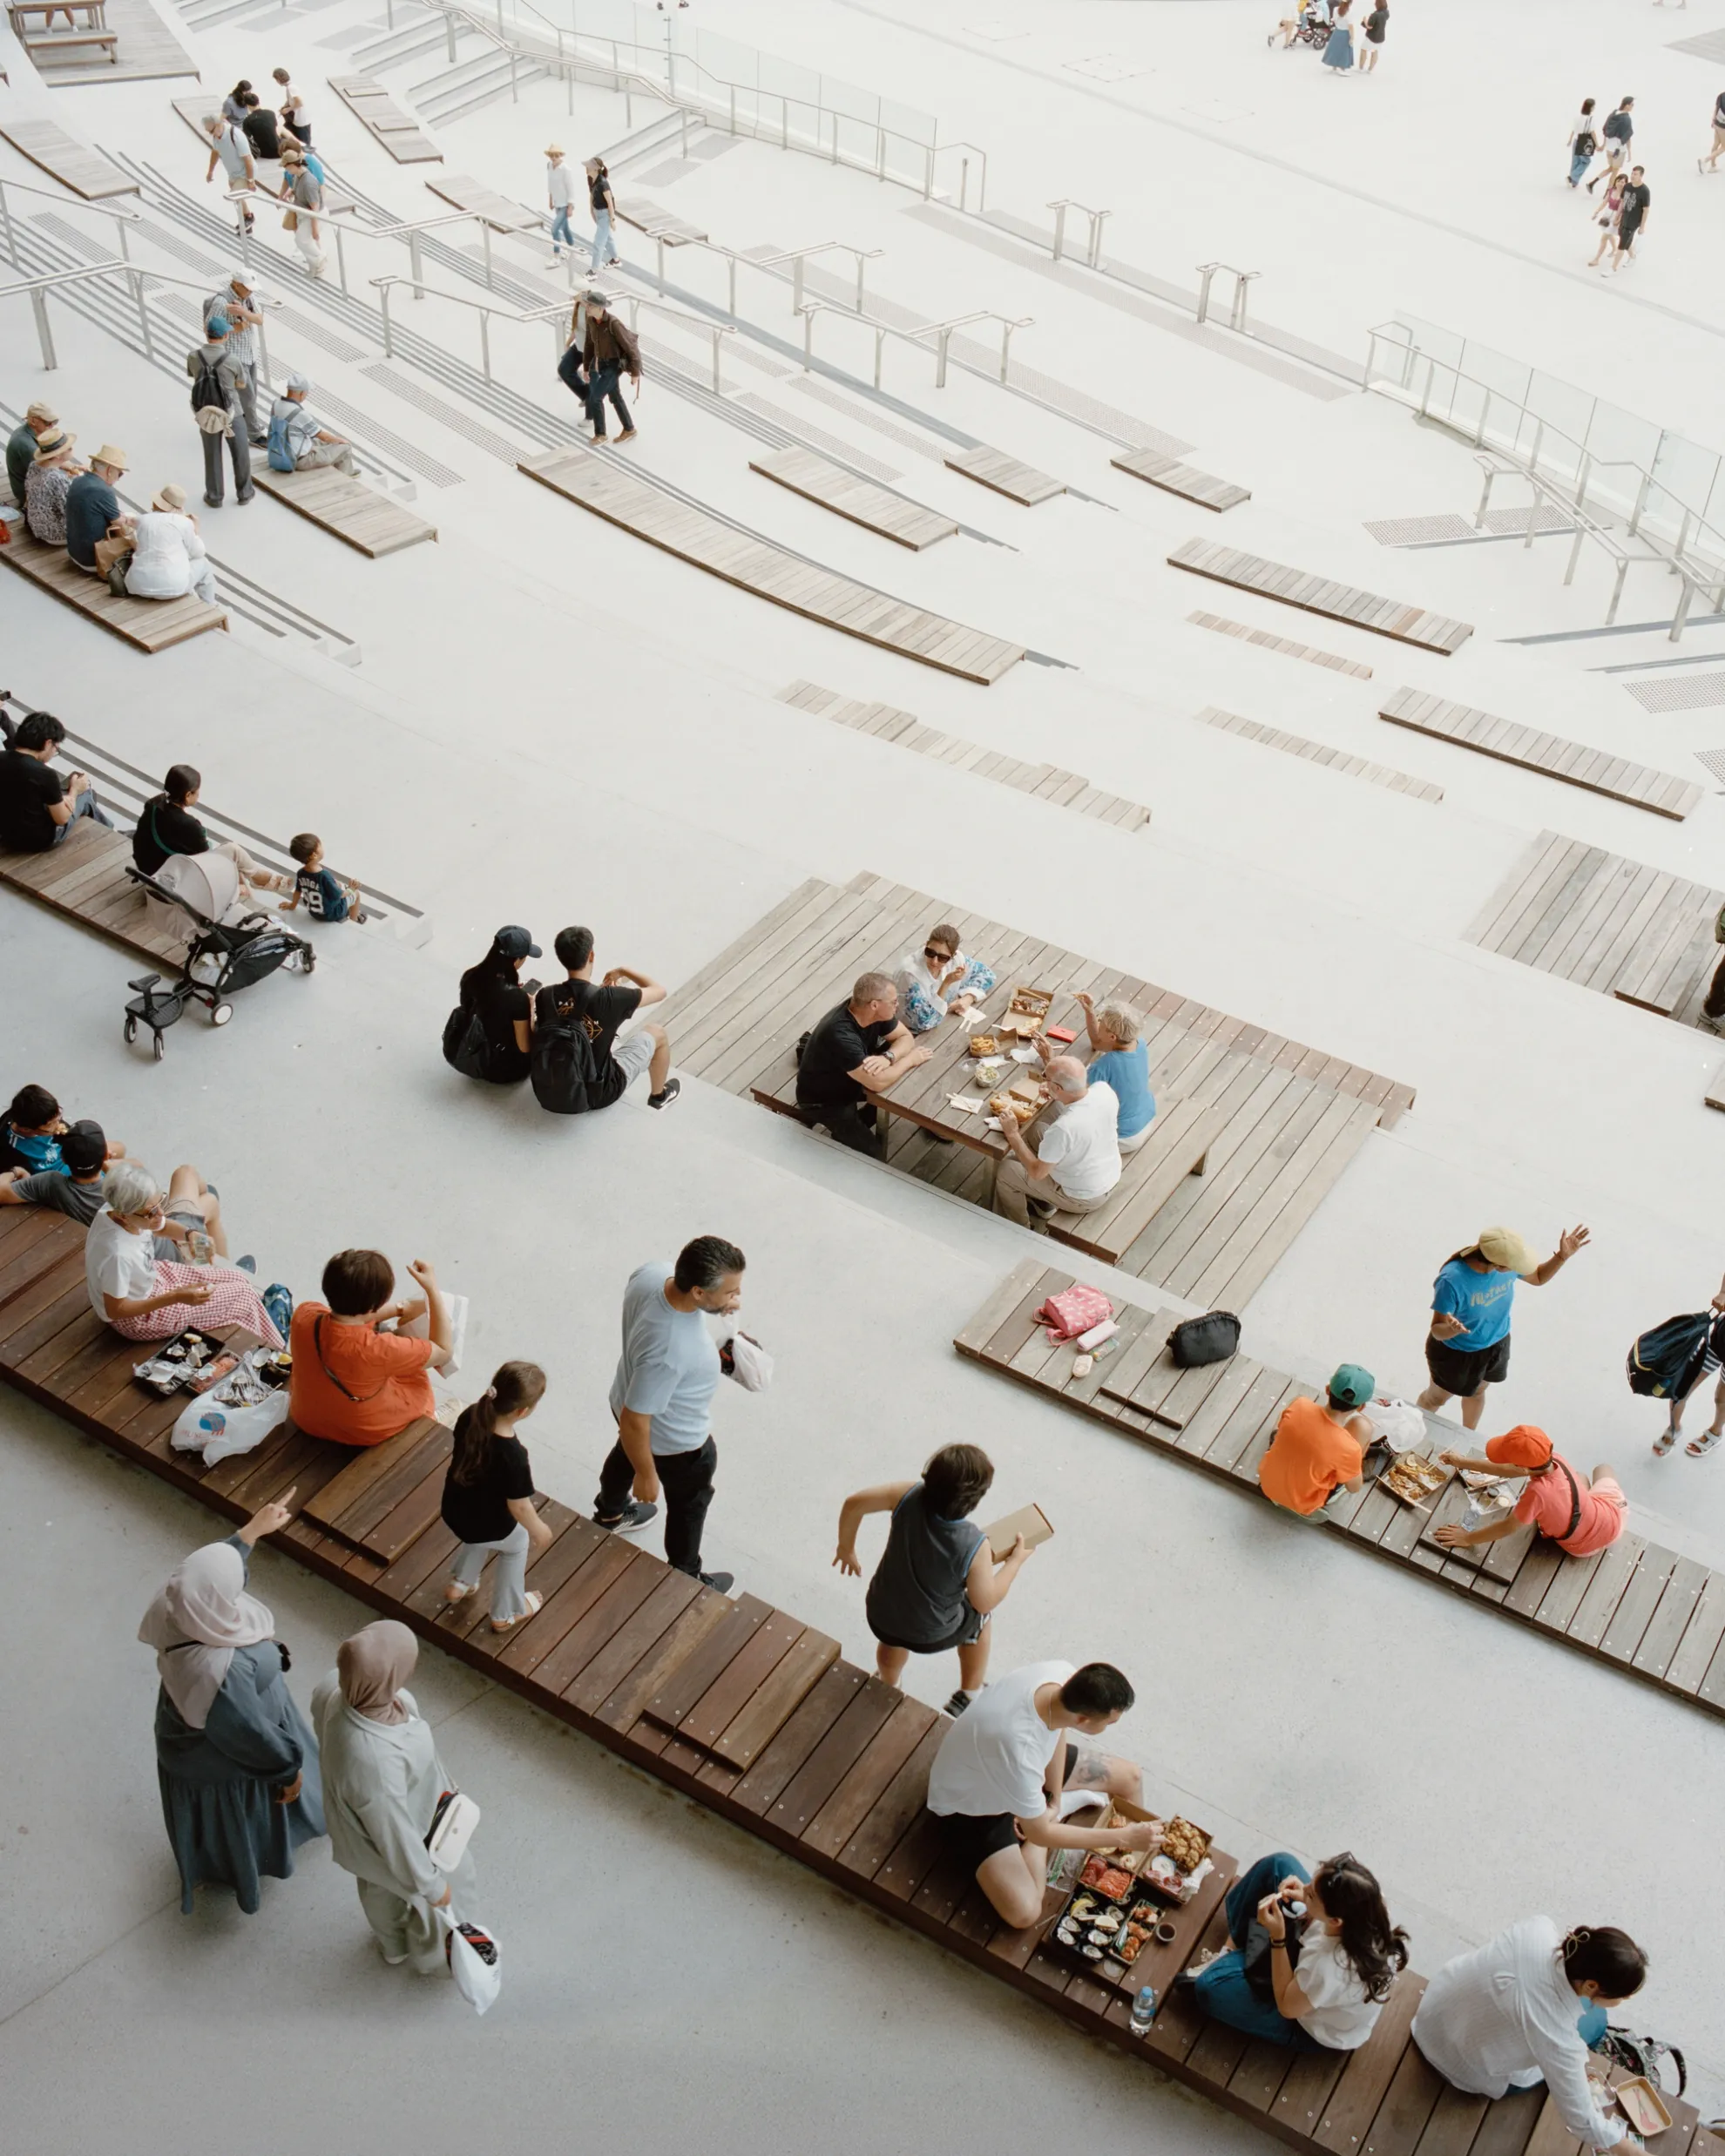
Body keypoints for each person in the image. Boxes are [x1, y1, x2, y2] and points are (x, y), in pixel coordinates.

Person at [138, 1501, 325, 1915]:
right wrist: (287, 1771)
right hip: (224, 1759)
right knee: (248, 1817)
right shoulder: (221, 1675)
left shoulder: (179, 1603)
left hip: (191, 1730)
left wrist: (248, 1535)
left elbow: (204, 1577)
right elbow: (250, 1736)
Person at [925, 1660, 1160, 1929]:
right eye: (1108, 1723)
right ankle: (1049, 1816)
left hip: (1016, 1773)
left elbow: (1056, 1728)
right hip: (971, 1807)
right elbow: (1038, 1834)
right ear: (1083, 1719)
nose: (1110, 1727)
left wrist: (1056, 1797)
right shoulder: (1020, 1750)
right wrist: (1123, 1836)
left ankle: (1130, 1865)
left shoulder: (1060, 1676)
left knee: (1131, 1777)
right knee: (1025, 1912)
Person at [312, 1622, 477, 1971]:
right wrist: (431, 1886)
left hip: (363, 1827)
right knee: (391, 1889)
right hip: (385, 1840)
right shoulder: (372, 1760)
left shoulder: (339, 1687)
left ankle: (391, 1945)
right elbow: (393, 1834)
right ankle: (424, 1954)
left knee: (375, 1890)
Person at [592, 1236, 747, 1593]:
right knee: (689, 1505)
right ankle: (685, 1572)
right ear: (697, 1292)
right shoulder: (671, 1348)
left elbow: (630, 1420)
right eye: (729, 1293)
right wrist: (648, 1475)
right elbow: (636, 1421)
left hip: (626, 1394)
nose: (735, 1299)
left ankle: (611, 1512)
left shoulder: (653, 1274)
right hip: (675, 1441)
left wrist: (717, 1308)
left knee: (625, 1451)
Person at [1413, 1920, 1650, 2150]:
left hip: (1432, 2013)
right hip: (1465, 2071)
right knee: (1596, 2023)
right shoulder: (1557, 2036)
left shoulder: (1538, 1929)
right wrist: (1632, 2151)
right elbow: (1583, 2122)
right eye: (1623, 1996)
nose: (1623, 2001)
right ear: (1591, 1986)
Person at [834, 1443, 1033, 1716]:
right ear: (973, 1500)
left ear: (929, 1476)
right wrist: (1015, 1562)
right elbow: (984, 1601)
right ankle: (969, 1694)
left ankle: (889, 1684)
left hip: (882, 1612)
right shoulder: (975, 1545)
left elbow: (854, 1504)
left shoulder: (905, 1496)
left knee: (892, 1642)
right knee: (980, 1621)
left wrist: (846, 1547)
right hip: (931, 1633)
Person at [1187, 1852, 1408, 2050]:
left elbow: (1287, 2006)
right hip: (1310, 1968)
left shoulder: (1330, 1968)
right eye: (1311, 1882)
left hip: (1305, 2019)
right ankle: (1234, 1951)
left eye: (1312, 1894)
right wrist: (1305, 1895)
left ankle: (1238, 1959)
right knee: (1280, 1864)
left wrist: (1278, 1938)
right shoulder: (1370, 1909)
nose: (1305, 1888)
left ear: (1335, 1920)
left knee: (1209, 1988)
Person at [85, 1159, 282, 1344]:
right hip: (139, 1317)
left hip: (152, 1278)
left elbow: (161, 1227)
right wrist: (176, 1297)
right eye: (151, 1212)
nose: (160, 1214)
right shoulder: (118, 1253)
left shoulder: (121, 1212)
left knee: (239, 1279)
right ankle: (277, 1349)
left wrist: (190, 1234)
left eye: (160, 1204)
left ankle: (266, 1333)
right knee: (245, 1296)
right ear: (122, 1215)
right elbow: (116, 1310)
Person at [1416, 1224, 1588, 1430]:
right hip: (1457, 1353)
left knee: (1478, 1391)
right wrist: (1452, 1329)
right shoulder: (1452, 1280)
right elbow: (1437, 1329)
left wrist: (1561, 1256)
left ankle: (1467, 1437)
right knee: (1436, 1398)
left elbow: (1539, 1277)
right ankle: (1411, 1428)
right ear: (1498, 1264)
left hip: (1496, 1344)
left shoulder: (1509, 1267)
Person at [288, 1249, 453, 1447]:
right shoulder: (379, 1350)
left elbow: (345, 1322)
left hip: (307, 1416)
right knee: (413, 1375)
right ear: (376, 1303)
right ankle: (430, 1417)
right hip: (361, 1430)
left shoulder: (304, 1315)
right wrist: (432, 1289)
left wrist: (400, 1308)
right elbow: (443, 1351)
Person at [441, 1361, 553, 1632]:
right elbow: (520, 1508)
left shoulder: (471, 1416)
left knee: (482, 1531)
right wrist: (539, 1529)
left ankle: (461, 1582)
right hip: (486, 1523)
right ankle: (505, 1613)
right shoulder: (513, 1456)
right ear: (523, 1411)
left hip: (454, 1508)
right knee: (516, 1543)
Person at [1, 1128, 223, 1263]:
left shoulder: (51, 1184)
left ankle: (201, 1210)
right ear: (106, 1155)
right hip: (168, 1254)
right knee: (195, 1183)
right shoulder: (124, 1188)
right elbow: (137, 1168)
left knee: (202, 1203)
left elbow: (3, 1191)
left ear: (65, 1160)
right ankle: (223, 1265)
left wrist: (14, 1171)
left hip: (152, 1242)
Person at [534, 923, 678, 1110]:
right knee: (657, 1033)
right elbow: (659, 991)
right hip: (598, 1093)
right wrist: (623, 970)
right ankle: (659, 1097)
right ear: (591, 955)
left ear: (561, 958)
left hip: (552, 1086)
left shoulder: (545, 996)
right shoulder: (612, 998)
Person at [1434, 1425, 1626, 1558]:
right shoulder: (1556, 1459)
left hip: (1583, 1547)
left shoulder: (1537, 1493)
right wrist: (1462, 1462)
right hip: (1607, 1517)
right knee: (1597, 1471)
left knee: (1593, 1473)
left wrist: (1467, 1538)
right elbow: (1508, 1470)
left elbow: (1508, 1526)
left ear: (1524, 1469)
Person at [795, 972, 932, 1157]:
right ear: (874, 1004)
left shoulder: (871, 1012)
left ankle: (854, 1127)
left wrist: (888, 1057)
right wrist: (909, 1060)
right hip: (825, 1101)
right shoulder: (840, 1034)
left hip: (852, 1080)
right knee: (873, 1155)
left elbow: (905, 1037)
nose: (897, 1005)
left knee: (903, 1087)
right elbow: (877, 1083)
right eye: (893, 1001)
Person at [991, 1055, 1122, 1228]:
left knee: (1008, 1170)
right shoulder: (1103, 1090)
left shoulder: (1064, 1128)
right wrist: (1056, 1094)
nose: (1043, 1079)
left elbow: (1037, 1173)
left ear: (1058, 1087)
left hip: (1084, 1195)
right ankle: (1044, 1202)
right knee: (1037, 1130)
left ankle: (1019, 1228)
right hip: (1106, 1171)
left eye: (1046, 1077)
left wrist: (1013, 1134)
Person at [131, 762, 288, 898]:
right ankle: (259, 881)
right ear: (187, 795)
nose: (198, 795)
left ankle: (258, 880)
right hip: (170, 881)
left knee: (235, 864)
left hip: (148, 869)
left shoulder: (153, 804)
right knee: (233, 852)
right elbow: (208, 865)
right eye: (197, 791)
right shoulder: (190, 826)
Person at [1258, 1366, 1376, 1518]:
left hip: (1268, 1484)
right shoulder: (1348, 1449)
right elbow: (1354, 1488)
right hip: (1304, 1503)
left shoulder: (1299, 1404)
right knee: (1364, 1427)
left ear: (1328, 1390)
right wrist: (1356, 1457)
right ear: (1361, 1407)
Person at [0, 707, 112, 852]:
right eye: (56, 748)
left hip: (6, 835)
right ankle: (111, 832)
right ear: (47, 743)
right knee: (86, 795)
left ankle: (109, 829)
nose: (54, 753)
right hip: (37, 840)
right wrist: (75, 790)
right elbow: (62, 818)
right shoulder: (44, 773)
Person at [1067, 993, 1156, 1152]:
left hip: (1124, 1136)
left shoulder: (1106, 1064)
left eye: (1101, 1022)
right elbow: (1098, 1043)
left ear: (1112, 1036)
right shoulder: (1138, 1043)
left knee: (1061, 1110)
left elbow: (1075, 1094)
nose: (1099, 1022)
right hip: (1147, 1118)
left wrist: (1049, 1060)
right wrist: (1090, 1012)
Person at [454, 927, 538, 1084]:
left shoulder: (470, 976)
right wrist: (530, 1008)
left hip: (474, 1052)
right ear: (517, 960)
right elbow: (525, 1046)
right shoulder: (517, 998)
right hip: (502, 1071)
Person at [1654, 1277, 1725, 1458]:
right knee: (1680, 1388)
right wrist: (1724, 1293)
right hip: (1720, 1340)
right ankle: (1674, 1427)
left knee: (1721, 1398)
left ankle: (1716, 1430)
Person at [188, 314, 254, 509]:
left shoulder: (194, 356)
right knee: (240, 452)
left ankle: (215, 496)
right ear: (226, 335)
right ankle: (244, 492)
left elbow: (193, 374)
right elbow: (241, 384)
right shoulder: (232, 360)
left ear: (206, 333)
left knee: (212, 453)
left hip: (206, 412)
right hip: (231, 412)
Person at [121, 484, 218, 605]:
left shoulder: (142, 520)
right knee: (203, 564)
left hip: (137, 585)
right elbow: (198, 553)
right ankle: (210, 606)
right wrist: (195, 531)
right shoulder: (184, 523)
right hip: (172, 587)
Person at [896, 924, 996, 1035]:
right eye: (930, 953)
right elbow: (925, 1021)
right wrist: (946, 983)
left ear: (952, 956)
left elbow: (986, 974)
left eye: (942, 958)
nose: (934, 961)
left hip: (945, 1019)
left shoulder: (956, 961)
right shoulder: (910, 974)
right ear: (926, 945)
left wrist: (968, 998)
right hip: (909, 1031)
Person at [206, 267, 267, 444]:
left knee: (250, 394)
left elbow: (259, 319)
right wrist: (237, 327)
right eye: (247, 287)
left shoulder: (247, 298)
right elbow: (209, 329)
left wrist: (243, 313)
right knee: (247, 397)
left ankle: (236, 424)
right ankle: (254, 434)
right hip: (234, 358)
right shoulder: (221, 302)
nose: (251, 291)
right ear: (237, 284)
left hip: (249, 354)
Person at [267, 373, 359, 477]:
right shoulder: (300, 414)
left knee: (318, 442)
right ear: (301, 393)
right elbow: (324, 437)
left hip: (280, 452)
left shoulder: (276, 404)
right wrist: (342, 441)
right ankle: (347, 476)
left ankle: (341, 470)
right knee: (345, 447)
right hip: (300, 461)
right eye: (307, 393)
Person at [579, 293, 641, 444]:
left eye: (590, 305)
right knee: (615, 397)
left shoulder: (614, 324)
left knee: (595, 398)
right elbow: (589, 344)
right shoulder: (591, 321)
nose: (587, 307)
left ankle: (601, 434)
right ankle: (629, 429)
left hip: (614, 365)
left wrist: (635, 372)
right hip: (602, 364)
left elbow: (631, 347)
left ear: (600, 308)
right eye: (587, 304)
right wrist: (586, 367)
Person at [61, 442, 126, 574]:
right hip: (93, 560)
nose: (118, 479)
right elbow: (119, 523)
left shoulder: (78, 481)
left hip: (74, 553)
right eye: (119, 474)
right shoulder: (104, 491)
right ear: (109, 471)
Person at [279, 831, 365, 924]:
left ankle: (347, 910)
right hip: (332, 914)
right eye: (320, 846)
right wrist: (352, 889)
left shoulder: (301, 873)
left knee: (337, 884)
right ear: (314, 855)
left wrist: (292, 905)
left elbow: (298, 891)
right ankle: (354, 919)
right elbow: (341, 895)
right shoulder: (324, 876)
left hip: (314, 912)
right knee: (356, 894)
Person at [22, 426, 82, 546]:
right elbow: (69, 511)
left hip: (37, 525)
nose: (72, 449)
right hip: (55, 534)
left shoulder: (34, 465)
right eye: (69, 448)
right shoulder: (57, 479)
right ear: (58, 456)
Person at [278, 146, 327, 279]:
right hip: (305, 213)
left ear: (294, 165)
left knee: (302, 239)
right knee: (303, 240)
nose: (286, 170)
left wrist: (315, 228)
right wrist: (291, 191)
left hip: (312, 214)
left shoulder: (308, 182)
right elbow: (296, 187)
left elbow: (315, 208)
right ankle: (315, 270)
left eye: (287, 167)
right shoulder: (298, 176)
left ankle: (320, 257)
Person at [203, 113, 256, 230]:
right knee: (238, 197)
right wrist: (210, 171)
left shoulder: (235, 135)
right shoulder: (216, 136)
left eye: (211, 131)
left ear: (218, 125)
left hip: (244, 173)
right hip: (233, 173)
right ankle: (248, 219)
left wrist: (251, 180)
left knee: (235, 195)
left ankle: (248, 219)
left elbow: (248, 159)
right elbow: (215, 152)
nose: (211, 134)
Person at [5, 399, 59, 506]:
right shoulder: (26, 445)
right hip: (26, 494)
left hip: (25, 482)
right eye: (48, 423)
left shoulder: (27, 432)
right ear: (34, 421)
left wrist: (72, 467)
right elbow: (48, 474)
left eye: (54, 422)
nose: (52, 426)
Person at [1588, 98, 1634, 190]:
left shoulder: (1613, 114)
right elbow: (1627, 136)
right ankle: (1608, 193)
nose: (1632, 107)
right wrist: (1629, 151)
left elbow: (1606, 131)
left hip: (1609, 148)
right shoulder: (1626, 119)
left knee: (1611, 168)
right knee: (1615, 172)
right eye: (1632, 105)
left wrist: (1603, 145)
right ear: (1627, 105)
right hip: (1619, 150)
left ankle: (1593, 183)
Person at [1610, 167, 1651, 271]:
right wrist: (1617, 216)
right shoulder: (1627, 186)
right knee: (1624, 238)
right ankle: (1633, 257)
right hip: (1625, 218)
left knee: (1622, 244)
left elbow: (1646, 210)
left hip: (1634, 222)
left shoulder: (1645, 191)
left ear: (1641, 176)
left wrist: (1642, 227)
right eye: (1632, 174)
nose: (1632, 176)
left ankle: (1613, 268)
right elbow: (1622, 202)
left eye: (1635, 174)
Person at [1586, 170, 1628, 269]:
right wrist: (1597, 212)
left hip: (1615, 218)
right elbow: (1605, 202)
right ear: (1616, 181)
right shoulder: (1611, 190)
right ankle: (1614, 249)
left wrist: (1618, 220)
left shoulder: (1626, 195)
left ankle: (1597, 259)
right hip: (1607, 215)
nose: (1621, 183)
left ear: (1626, 184)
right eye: (1619, 181)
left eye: (1623, 182)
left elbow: (1624, 210)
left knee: (1604, 238)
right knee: (1608, 234)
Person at [585, 155, 620, 272]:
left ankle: (593, 271)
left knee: (598, 243)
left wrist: (612, 220)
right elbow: (592, 194)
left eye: (589, 166)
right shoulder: (591, 178)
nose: (586, 168)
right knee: (608, 239)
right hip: (597, 213)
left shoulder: (603, 183)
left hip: (605, 214)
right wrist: (591, 210)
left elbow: (610, 202)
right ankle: (616, 260)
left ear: (596, 168)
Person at [546, 143, 577, 262]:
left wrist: (570, 207)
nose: (553, 158)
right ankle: (571, 248)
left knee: (554, 229)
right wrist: (550, 199)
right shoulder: (549, 166)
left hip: (565, 204)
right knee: (565, 228)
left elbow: (570, 188)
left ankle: (556, 255)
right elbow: (550, 183)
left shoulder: (565, 169)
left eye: (556, 156)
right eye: (551, 156)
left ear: (560, 156)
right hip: (557, 202)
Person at [240, 90, 281, 171]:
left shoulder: (247, 120)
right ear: (258, 102)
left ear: (247, 106)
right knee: (280, 129)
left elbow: (247, 139)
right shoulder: (270, 113)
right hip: (279, 150)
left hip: (265, 153)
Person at [273, 68, 310, 146]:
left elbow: (300, 102)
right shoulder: (290, 87)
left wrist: (287, 109)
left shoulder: (291, 88)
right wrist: (284, 107)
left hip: (301, 121)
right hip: (297, 120)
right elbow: (291, 100)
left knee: (304, 144)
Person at [1567, 99, 1599, 187]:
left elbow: (1574, 130)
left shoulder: (1577, 117)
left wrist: (1570, 140)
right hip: (1584, 143)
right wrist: (1597, 144)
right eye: (1593, 106)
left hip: (1576, 140)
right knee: (1586, 161)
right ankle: (1572, 177)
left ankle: (1574, 182)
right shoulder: (1590, 119)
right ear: (1590, 108)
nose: (1594, 108)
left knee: (1575, 161)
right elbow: (1592, 133)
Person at [1321, 1, 1355, 73]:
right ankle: (1342, 67)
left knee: (1335, 49)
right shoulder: (1350, 11)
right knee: (1344, 51)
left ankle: (1334, 66)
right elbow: (1350, 26)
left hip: (1337, 31)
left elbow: (1335, 20)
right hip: (1345, 32)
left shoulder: (1336, 9)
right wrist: (1352, 37)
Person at [1358, 0, 1386, 71]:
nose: (1374, 4)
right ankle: (1370, 69)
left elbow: (1369, 26)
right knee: (1375, 52)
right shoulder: (1386, 13)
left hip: (1371, 37)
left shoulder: (1375, 15)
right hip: (1380, 37)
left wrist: (1364, 20)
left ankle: (1361, 68)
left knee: (1364, 49)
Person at [1701, 90, 1725, 172]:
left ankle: (1713, 166)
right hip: (1723, 127)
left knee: (1716, 144)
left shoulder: (1721, 95)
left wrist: (1713, 120)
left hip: (1717, 123)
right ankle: (1704, 161)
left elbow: (1716, 109)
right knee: (1723, 147)